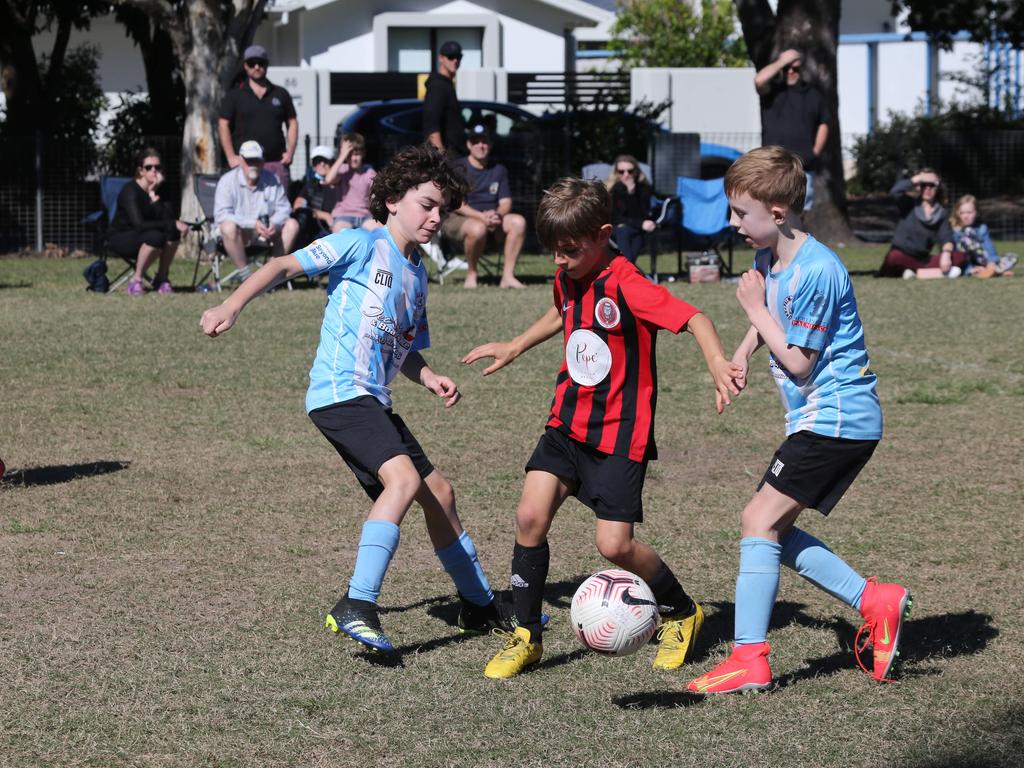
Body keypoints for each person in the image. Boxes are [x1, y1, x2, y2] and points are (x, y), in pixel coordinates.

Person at [199, 144, 518, 654]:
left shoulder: (417, 276)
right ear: (392, 199)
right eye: (426, 204)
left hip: (373, 398)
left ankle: (479, 606)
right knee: (405, 479)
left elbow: (404, 347)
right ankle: (357, 603)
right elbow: (282, 264)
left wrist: (429, 374)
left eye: (442, 209)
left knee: (439, 493)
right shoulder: (360, 244)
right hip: (338, 392)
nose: (436, 217)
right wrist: (232, 304)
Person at [462, 177, 742, 680]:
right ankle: (526, 636)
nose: (558, 261)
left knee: (614, 547)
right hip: (565, 422)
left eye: (569, 250)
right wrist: (515, 344)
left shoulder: (626, 282)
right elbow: (560, 309)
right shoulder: (568, 273)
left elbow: (693, 316)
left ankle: (681, 612)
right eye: (552, 251)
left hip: (618, 435)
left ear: (603, 234)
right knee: (530, 516)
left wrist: (718, 362)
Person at [686, 146, 911, 695]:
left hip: (837, 419)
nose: (732, 223)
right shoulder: (771, 257)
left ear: (778, 213)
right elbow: (770, 322)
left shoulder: (817, 271)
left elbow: (801, 362)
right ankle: (875, 601)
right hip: (822, 420)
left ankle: (749, 659)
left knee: (757, 520)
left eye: (741, 213)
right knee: (772, 533)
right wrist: (740, 352)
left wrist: (754, 312)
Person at [444, 124, 526, 289]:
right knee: (478, 228)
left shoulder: (499, 170)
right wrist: (481, 217)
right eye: (476, 142)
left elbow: (505, 202)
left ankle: (508, 276)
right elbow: (456, 203)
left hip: (492, 218)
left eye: (484, 142)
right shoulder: (458, 168)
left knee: (518, 222)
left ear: (490, 144)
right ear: (469, 145)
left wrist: (496, 215)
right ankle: (472, 273)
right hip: (461, 218)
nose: (480, 145)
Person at [755, 49, 829, 211]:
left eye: (795, 69)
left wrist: (815, 152)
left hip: (802, 167)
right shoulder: (771, 91)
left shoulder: (813, 94)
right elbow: (759, 80)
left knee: (797, 213)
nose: (790, 72)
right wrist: (783, 60)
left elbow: (823, 123)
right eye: (786, 68)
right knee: (770, 210)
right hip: (773, 166)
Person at [213, 140, 299, 279]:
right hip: (238, 234)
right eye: (249, 161)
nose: (253, 165)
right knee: (228, 226)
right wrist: (252, 223)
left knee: (292, 225)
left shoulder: (273, 179)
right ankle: (246, 276)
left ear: (263, 161)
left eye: (257, 160)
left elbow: (284, 208)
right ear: (241, 160)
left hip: (266, 233)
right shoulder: (227, 181)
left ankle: (269, 275)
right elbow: (221, 215)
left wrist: (274, 223)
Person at [109, 147, 187, 296]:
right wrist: (170, 223)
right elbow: (139, 225)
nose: (154, 171)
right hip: (122, 236)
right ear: (141, 171)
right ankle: (136, 281)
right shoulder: (130, 191)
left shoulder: (162, 189)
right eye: (149, 167)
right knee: (157, 236)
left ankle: (161, 278)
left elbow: (169, 218)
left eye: (157, 167)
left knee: (173, 231)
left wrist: (154, 196)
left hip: (148, 234)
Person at [218, 44, 298, 190]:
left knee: (280, 210)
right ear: (245, 67)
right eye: (251, 63)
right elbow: (223, 124)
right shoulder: (235, 95)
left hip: (275, 163)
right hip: (244, 164)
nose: (256, 67)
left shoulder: (281, 94)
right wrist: (230, 156)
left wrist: (290, 152)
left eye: (260, 63)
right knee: (243, 208)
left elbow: (292, 122)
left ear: (266, 65)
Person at [878, 168, 965, 279]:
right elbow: (895, 192)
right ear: (919, 186)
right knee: (894, 258)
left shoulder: (941, 213)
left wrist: (946, 254)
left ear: (937, 188)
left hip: (922, 259)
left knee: (960, 256)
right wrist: (918, 178)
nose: (928, 188)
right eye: (924, 184)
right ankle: (931, 273)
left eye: (932, 185)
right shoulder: (909, 204)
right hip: (901, 255)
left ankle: (914, 273)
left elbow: (946, 237)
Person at [950, 195, 1018, 278]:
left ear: (976, 213)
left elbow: (989, 246)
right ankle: (993, 272)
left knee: (1012, 257)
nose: (965, 216)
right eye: (962, 213)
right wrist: (970, 268)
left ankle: (991, 270)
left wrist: (992, 261)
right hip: (965, 264)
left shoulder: (982, 228)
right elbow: (956, 254)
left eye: (969, 212)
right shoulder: (955, 231)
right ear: (957, 213)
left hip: (984, 261)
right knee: (968, 233)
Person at [605, 154, 655, 265]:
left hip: (638, 229)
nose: (626, 175)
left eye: (630, 171)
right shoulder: (612, 191)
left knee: (632, 233)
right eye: (621, 172)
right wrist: (640, 223)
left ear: (636, 171)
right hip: (619, 229)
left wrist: (631, 194)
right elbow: (615, 218)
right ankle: (629, 269)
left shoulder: (644, 189)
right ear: (616, 173)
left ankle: (626, 271)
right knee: (623, 230)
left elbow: (644, 214)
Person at [326, 133, 380, 233]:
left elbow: (376, 196)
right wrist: (342, 155)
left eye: (357, 155)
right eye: (350, 155)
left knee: (380, 234)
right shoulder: (342, 170)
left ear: (363, 154)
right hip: (343, 216)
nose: (353, 159)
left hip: (365, 216)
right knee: (341, 235)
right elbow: (328, 179)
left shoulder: (369, 173)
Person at [291, 144, 339, 248]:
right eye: (318, 161)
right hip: (316, 229)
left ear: (332, 163)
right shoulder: (311, 185)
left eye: (325, 161)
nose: (322, 164)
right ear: (313, 165)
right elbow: (298, 205)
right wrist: (324, 216)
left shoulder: (341, 182)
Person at [423, 40, 466, 156]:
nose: (455, 61)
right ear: (441, 58)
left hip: (456, 156)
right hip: (448, 158)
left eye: (458, 57)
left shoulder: (447, 85)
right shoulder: (438, 86)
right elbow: (432, 127)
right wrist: (442, 159)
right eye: (451, 57)